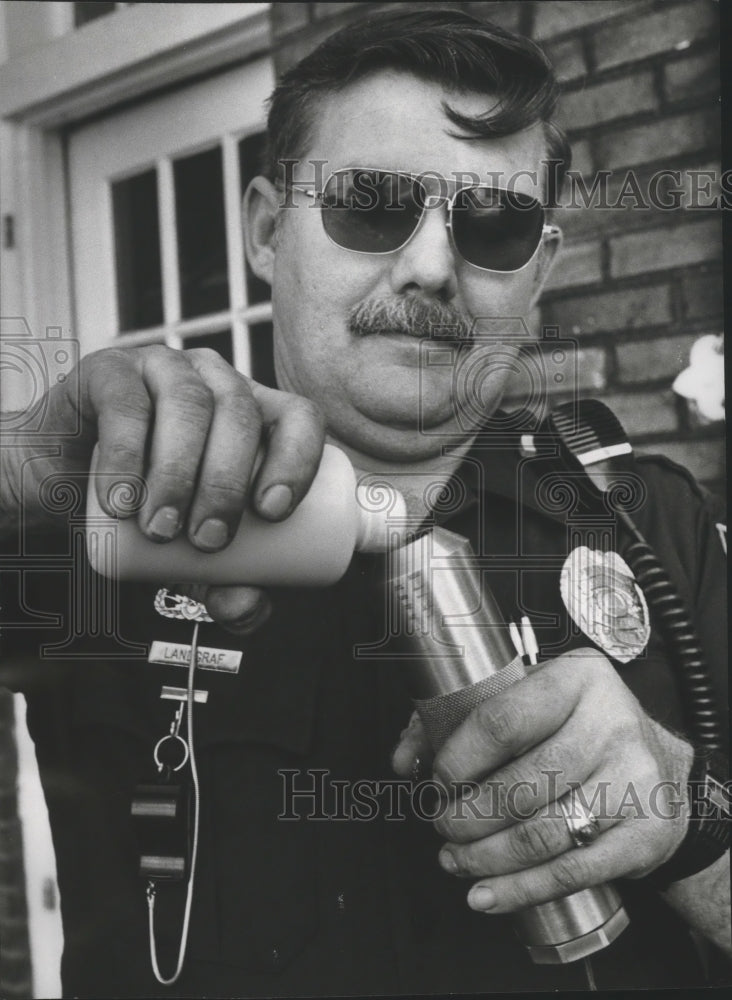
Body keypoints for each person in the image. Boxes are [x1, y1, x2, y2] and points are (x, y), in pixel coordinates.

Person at [0, 7, 728, 997]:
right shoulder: (103, 519)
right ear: (266, 227)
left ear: (542, 270)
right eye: (372, 203)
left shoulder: (651, 524)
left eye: (495, 223)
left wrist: (690, 822)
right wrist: (16, 471)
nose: (432, 266)